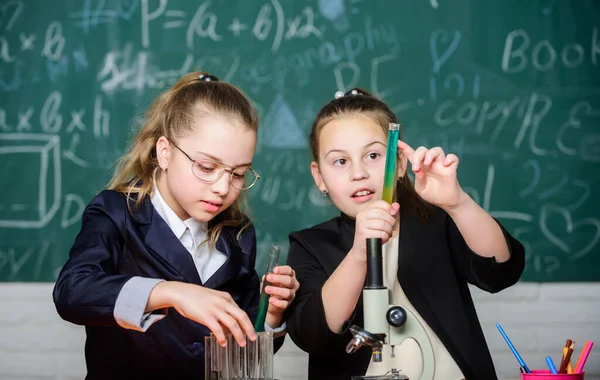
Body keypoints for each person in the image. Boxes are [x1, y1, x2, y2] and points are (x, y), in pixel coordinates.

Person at [53, 72, 299, 379]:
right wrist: (172, 293)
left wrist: (270, 315)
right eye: (207, 167)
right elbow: (72, 293)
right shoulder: (117, 213)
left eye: (238, 174)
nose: (223, 187)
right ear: (164, 152)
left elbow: (242, 350)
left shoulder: (238, 234)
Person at [285, 88, 525, 380]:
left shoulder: (437, 223)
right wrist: (360, 252)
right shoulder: (310, 244)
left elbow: (501, 272)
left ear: (399, 164)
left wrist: (458, 203)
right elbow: (312, 334)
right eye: (341, 161)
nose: (358, 173)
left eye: (373, 155)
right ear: (319, 176)